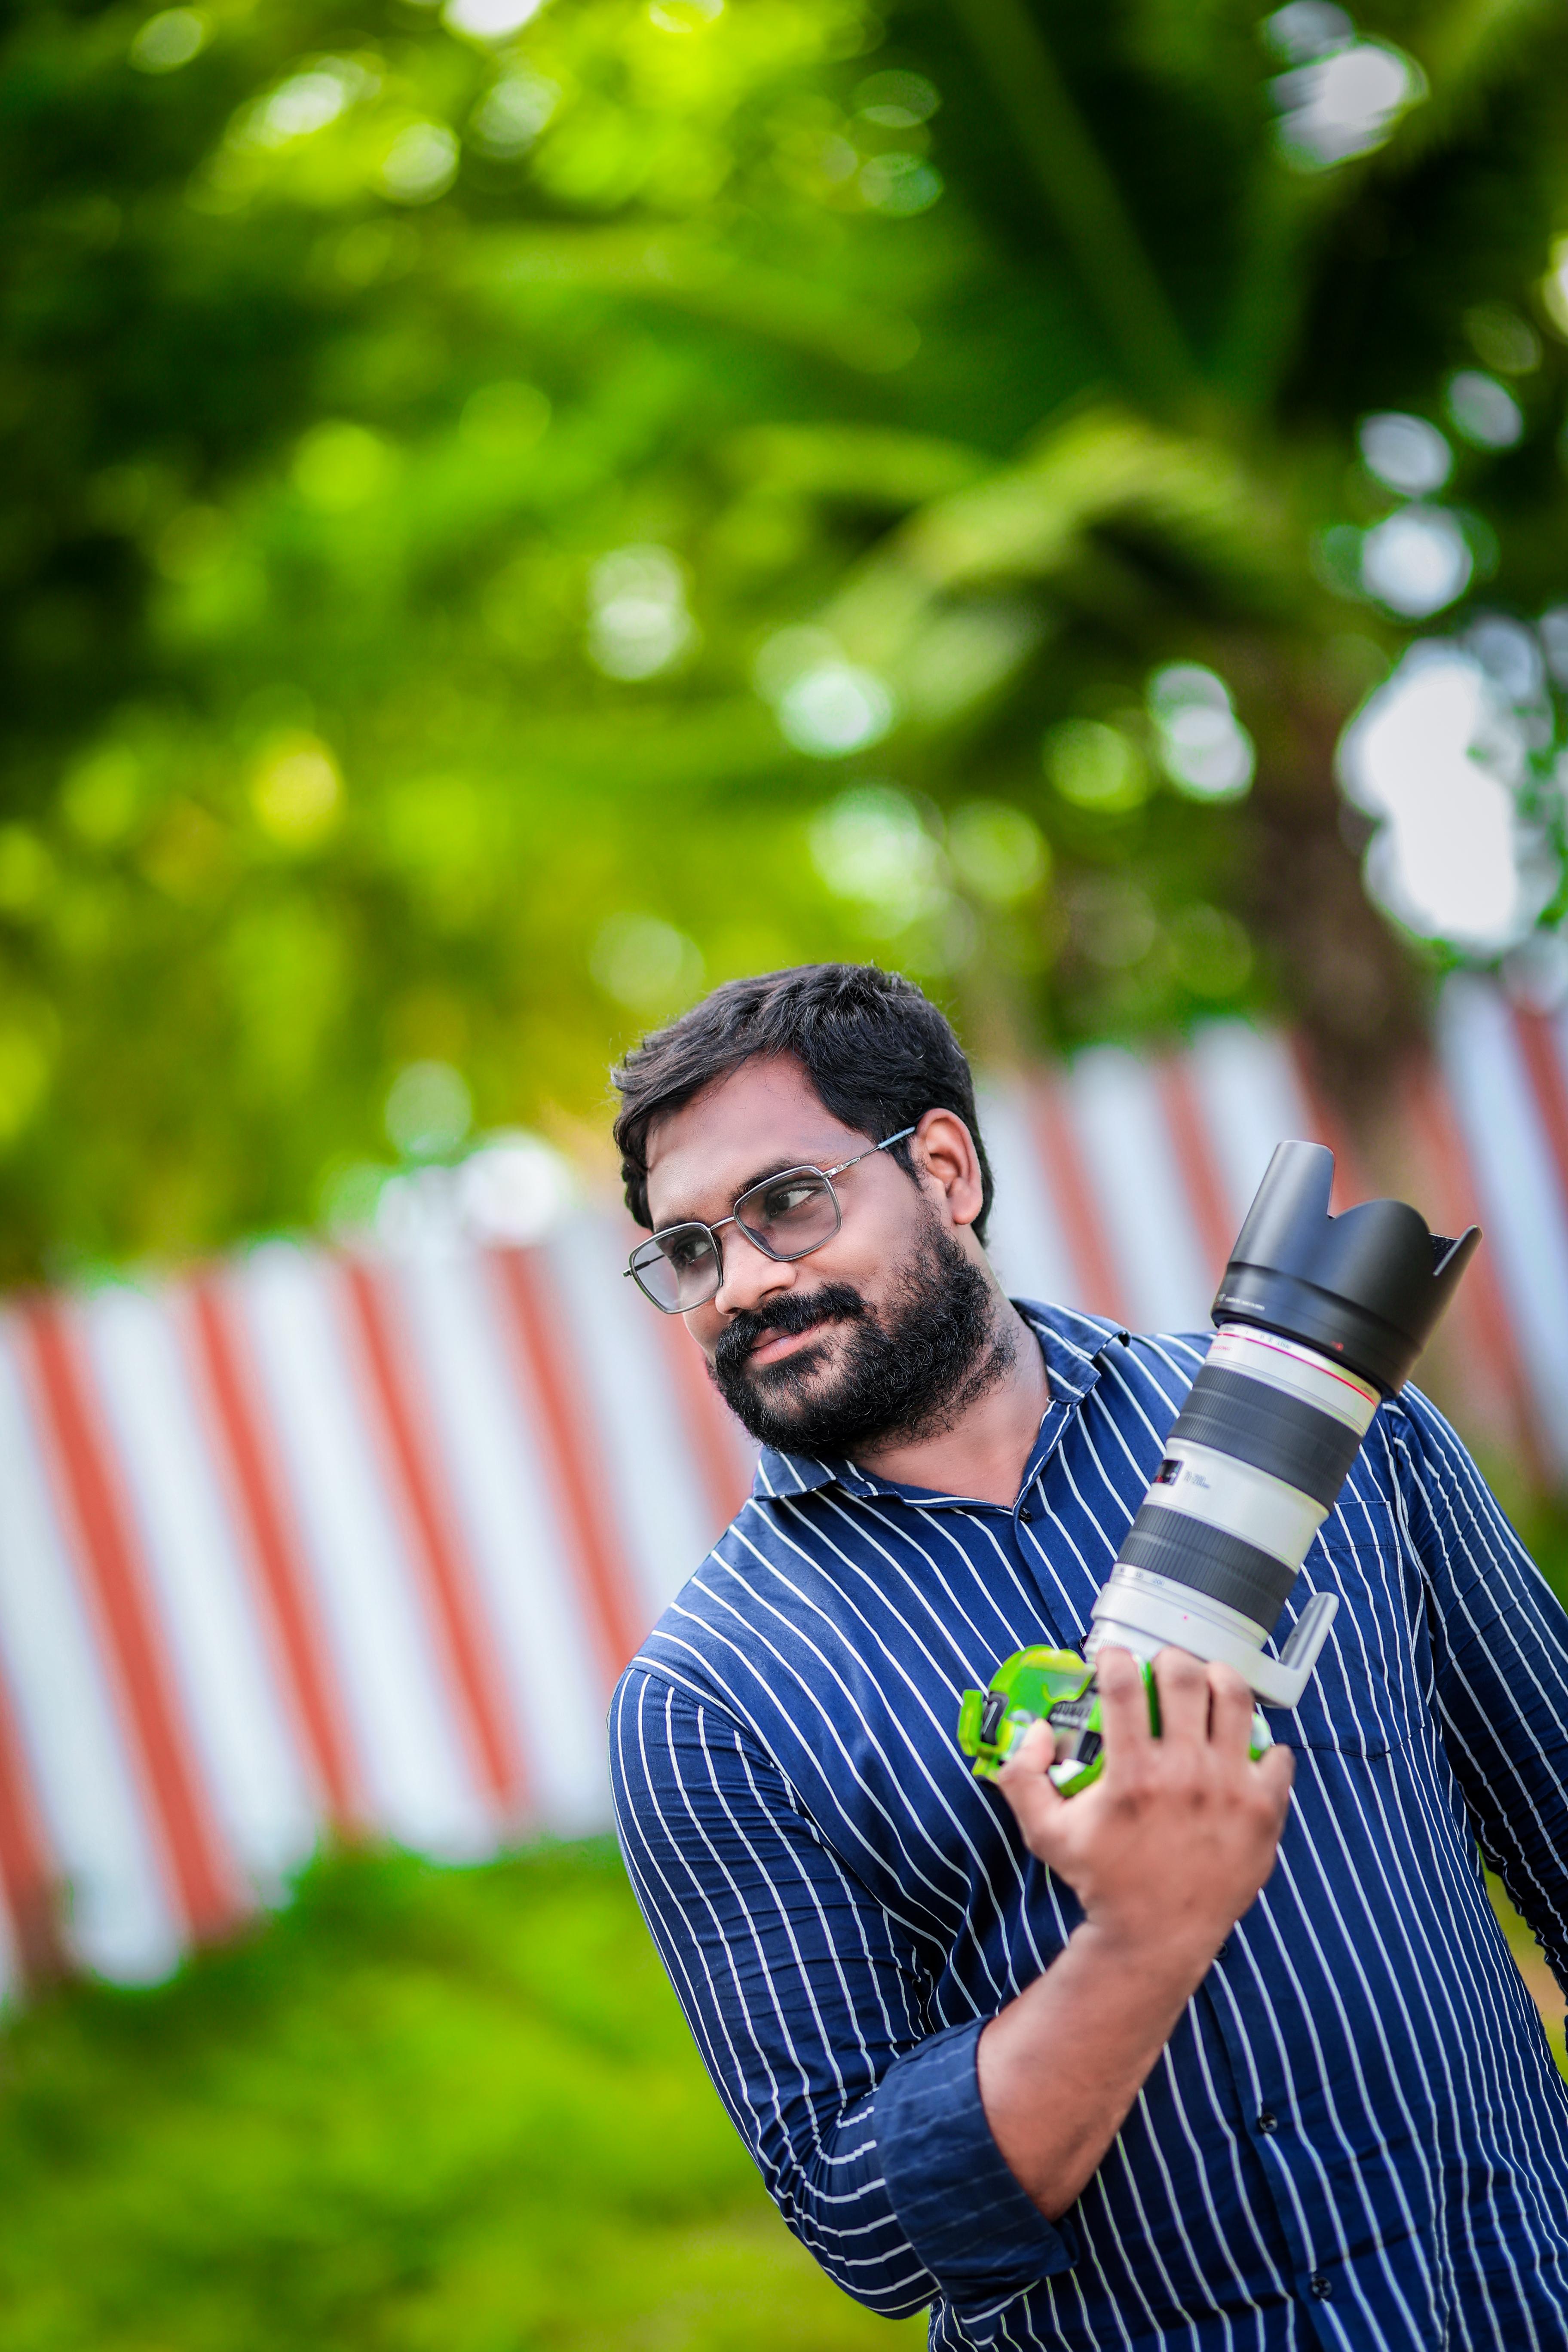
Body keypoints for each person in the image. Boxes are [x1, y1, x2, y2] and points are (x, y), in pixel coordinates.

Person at [605, 962, 1568, 2350]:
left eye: (789, 1203)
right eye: (691, 1251)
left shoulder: (1329, 1429)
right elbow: (865, 2222)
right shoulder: (708, 1700)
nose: (744, 1283)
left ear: (944, 1169)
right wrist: (1143, 1938)